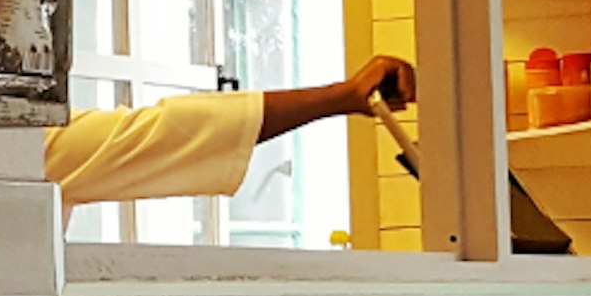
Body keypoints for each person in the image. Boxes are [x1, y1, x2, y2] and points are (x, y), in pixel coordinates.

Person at [43, 55, 417, 211]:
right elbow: (170, 136)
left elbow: (168, 135)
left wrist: (345, 97)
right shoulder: (20, 147)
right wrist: (343, 96)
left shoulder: (22, 140)